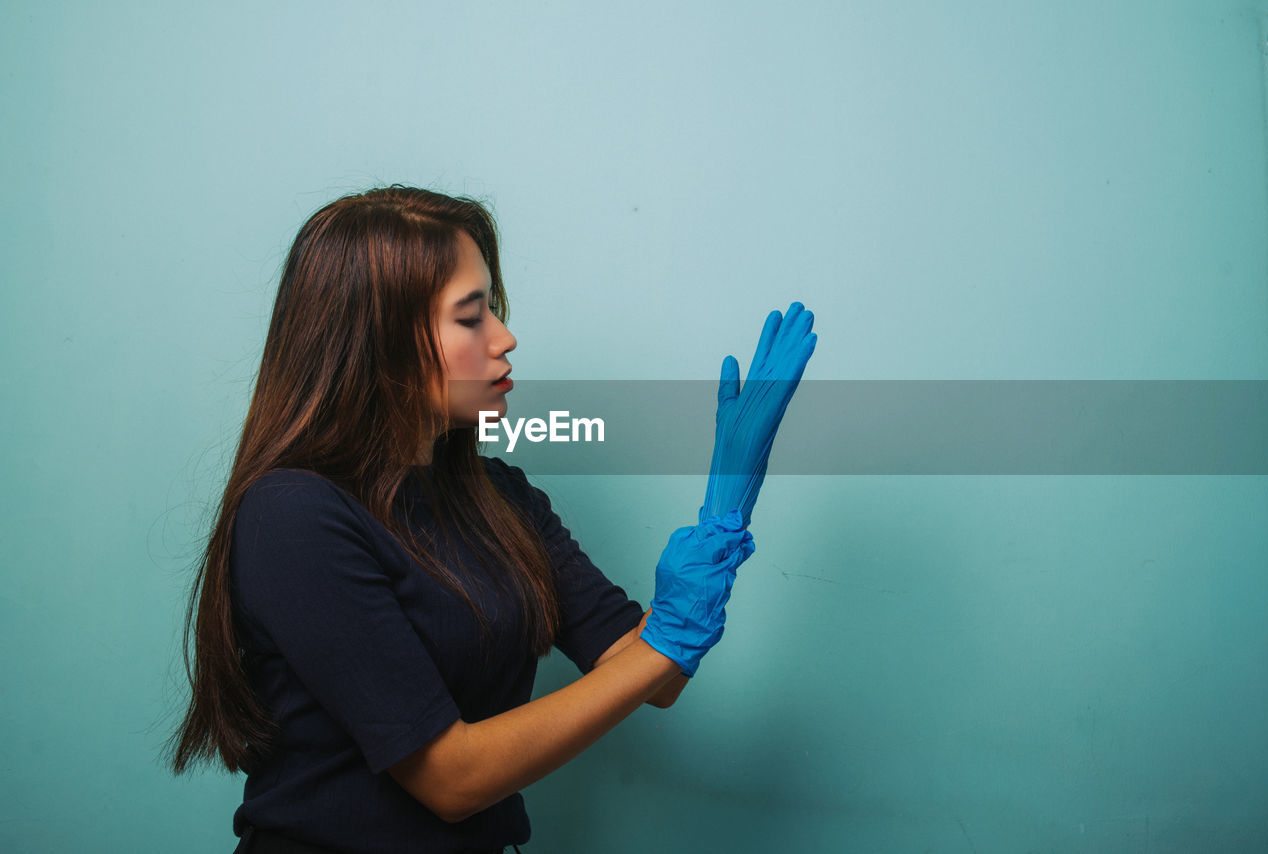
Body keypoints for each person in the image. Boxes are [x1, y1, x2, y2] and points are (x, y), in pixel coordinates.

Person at [169, 186, 816, 853]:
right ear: (381, 340)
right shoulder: (293, 514)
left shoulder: (499, 497)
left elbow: (653, 677)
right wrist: (666, 642)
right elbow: (452, 778)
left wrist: (724, 511)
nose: (505, 339)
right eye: (471, 317)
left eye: (494, 310)